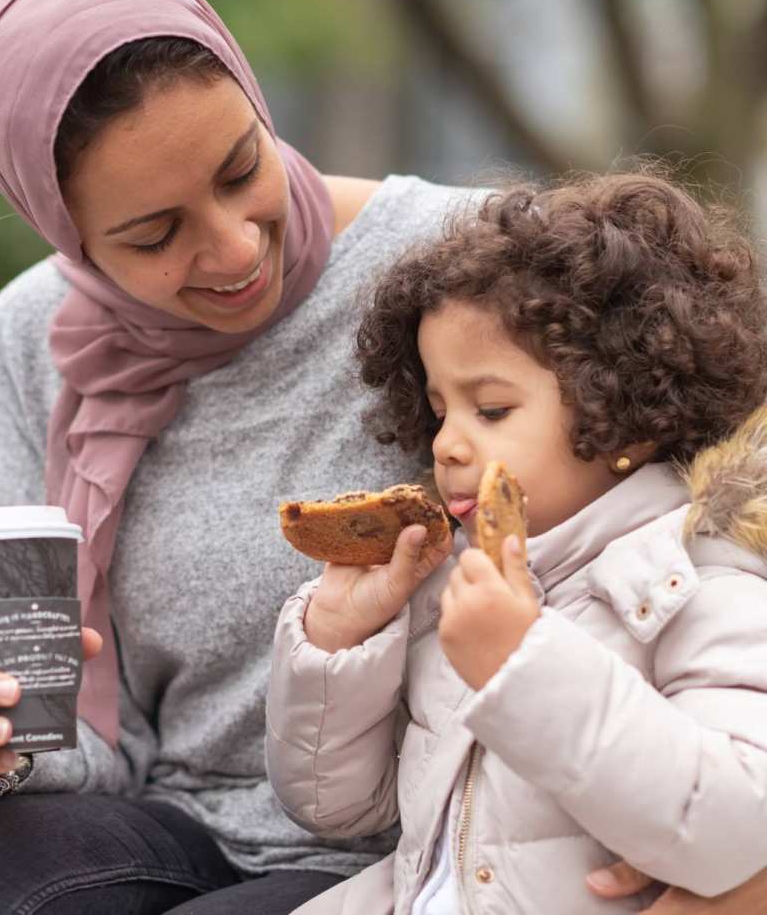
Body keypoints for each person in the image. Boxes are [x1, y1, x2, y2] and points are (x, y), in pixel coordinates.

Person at [0, 0, 767, 914]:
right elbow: (71, 729)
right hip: (167, 820)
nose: (231, 248)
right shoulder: (34, 336)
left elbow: (710, 506)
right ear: (65, 234)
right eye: (152, 235)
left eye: (242, 169)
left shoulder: (464, 268)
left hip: (418, 843)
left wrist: (722, 866)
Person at [265, 173, 767, 915]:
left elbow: (736, 823)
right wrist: (341, 639)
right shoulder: (455, 584)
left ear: (626, 412)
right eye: (437, 411)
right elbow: (337, 807)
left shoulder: (696, 581)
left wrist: (523, 664)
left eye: (491, 408)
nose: (448, 446)